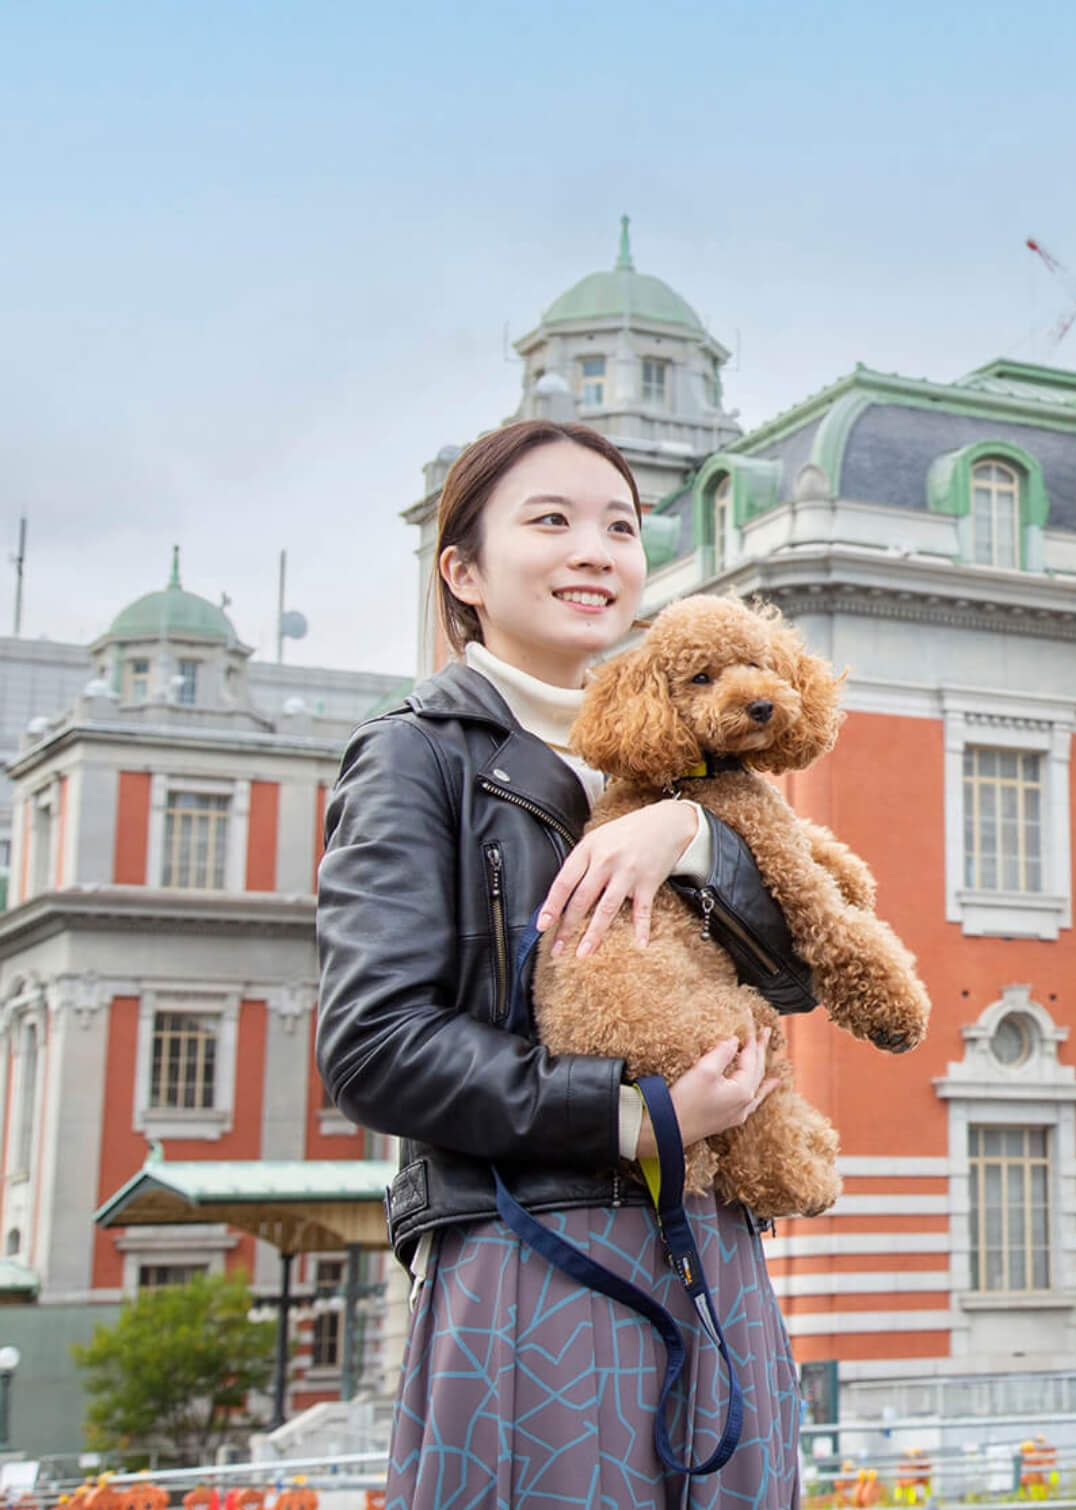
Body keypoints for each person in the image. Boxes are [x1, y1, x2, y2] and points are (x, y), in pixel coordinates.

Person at [317, 419, 818, 1507]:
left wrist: (688, 833)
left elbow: (801, 971)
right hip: (533, 1243)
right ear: (463, 570)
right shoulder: (415, 752)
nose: (596, 550)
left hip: (713, 1235)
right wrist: (634, 1113)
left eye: (621, 527)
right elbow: (373, 1043)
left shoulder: (690, 762)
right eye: (551, 521)